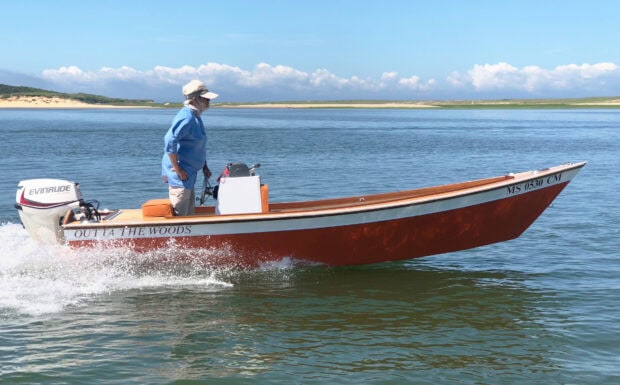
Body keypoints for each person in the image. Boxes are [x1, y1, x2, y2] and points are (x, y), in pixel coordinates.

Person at [161, 80, 218, 215]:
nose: (209, 102)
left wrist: (204, 166)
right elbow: (169, 140)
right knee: (180, 214)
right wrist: (177, 168)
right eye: (206, 99)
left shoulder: (195, 116)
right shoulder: (187, 118)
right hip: (181, 175)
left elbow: (196, 145)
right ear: (195, 99)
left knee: (189, 212)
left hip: (189, 174)